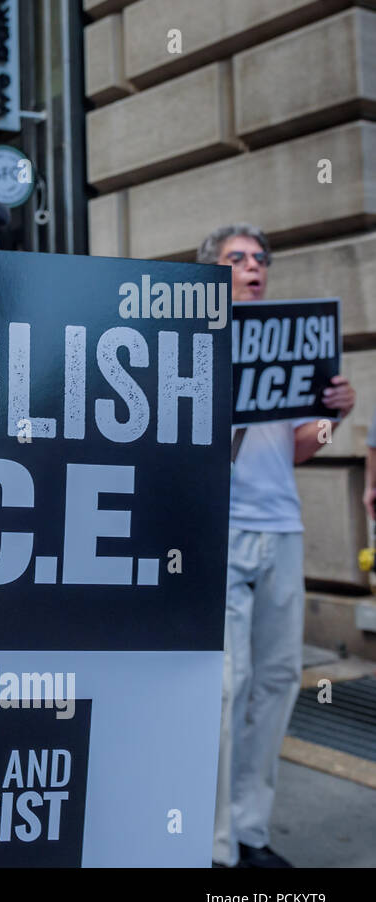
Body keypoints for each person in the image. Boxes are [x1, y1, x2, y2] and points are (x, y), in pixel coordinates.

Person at [199, 223, 355, 868]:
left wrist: (331, 416)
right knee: (227, 685)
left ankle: (251, 829)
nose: (253, 267)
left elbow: (298, 447)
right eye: (238, 259)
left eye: (260, 259)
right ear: (213, 272)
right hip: (221, 529)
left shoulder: (292, 348)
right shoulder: (200, 341)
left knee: (279, 677)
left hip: (281, 527)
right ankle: (214, 846)